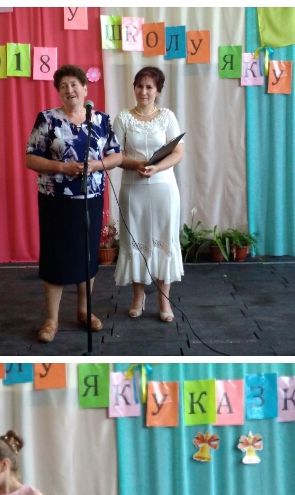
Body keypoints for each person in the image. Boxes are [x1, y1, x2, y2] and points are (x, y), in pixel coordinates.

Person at [25, 65, 123, 343]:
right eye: (63, 86)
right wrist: (62, 167)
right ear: (58, 91)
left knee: (87, 255)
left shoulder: (101, 120)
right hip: (55, 200)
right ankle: (51, 319)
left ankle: (84, 311)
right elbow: (30, 158)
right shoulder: (47, 119)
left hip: (90, 199)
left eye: (74, 84)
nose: (69, 90)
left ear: (85, 89)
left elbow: (117, 155)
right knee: (56, 256)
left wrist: (96, 165)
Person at [112, 66, 184, 321]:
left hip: (164, 188)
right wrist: (137, 165)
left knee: (164, 239)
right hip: (133, 189)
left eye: (149, 87)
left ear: (158, 91)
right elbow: (114, 156)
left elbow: (178, 152)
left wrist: (156, 168)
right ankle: (138, 297)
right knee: (135, 239)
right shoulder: (123, 118)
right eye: (139, 86)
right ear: (134, 88)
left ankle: (164, 300)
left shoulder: (167, 116)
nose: (143, 91)